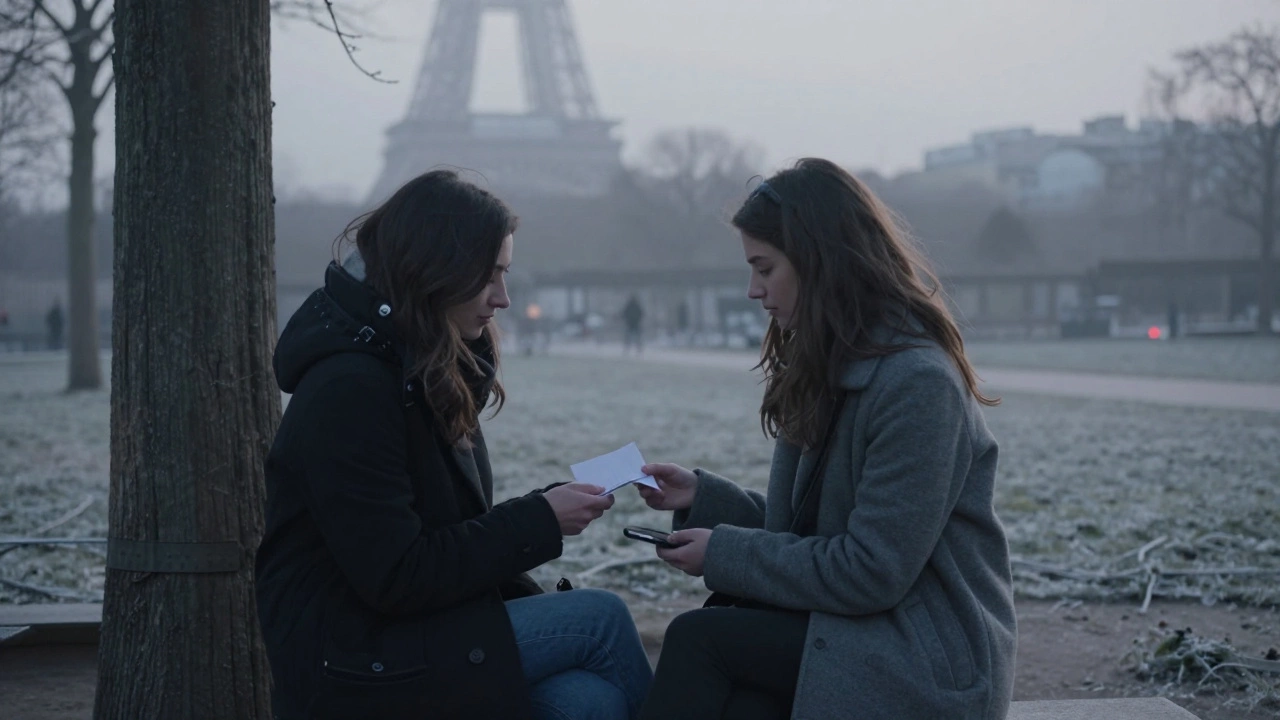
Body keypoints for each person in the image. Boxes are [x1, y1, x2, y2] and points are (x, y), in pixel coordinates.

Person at [256, 170, 653, 720]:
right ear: (435, 269)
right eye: (489, 276)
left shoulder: (419, 369)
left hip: (407, 632)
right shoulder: (350, 389)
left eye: (505, 275)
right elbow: (398, 574)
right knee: (600, 620)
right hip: (355, 658)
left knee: (589, 701)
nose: (505, 298)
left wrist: (542, 511)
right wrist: (538, 519)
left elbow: (436, 538)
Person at [635, 158, 1016, 720]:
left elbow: (870, 569)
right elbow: (816, 535)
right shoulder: (828, 364)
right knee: (741, 703)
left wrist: (724, 553)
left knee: (702, 638)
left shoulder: (917, 384)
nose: (751, 290)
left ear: (818, 263)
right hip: (863, 629)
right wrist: (703, 500)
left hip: (926, 656)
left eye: (764, 268)